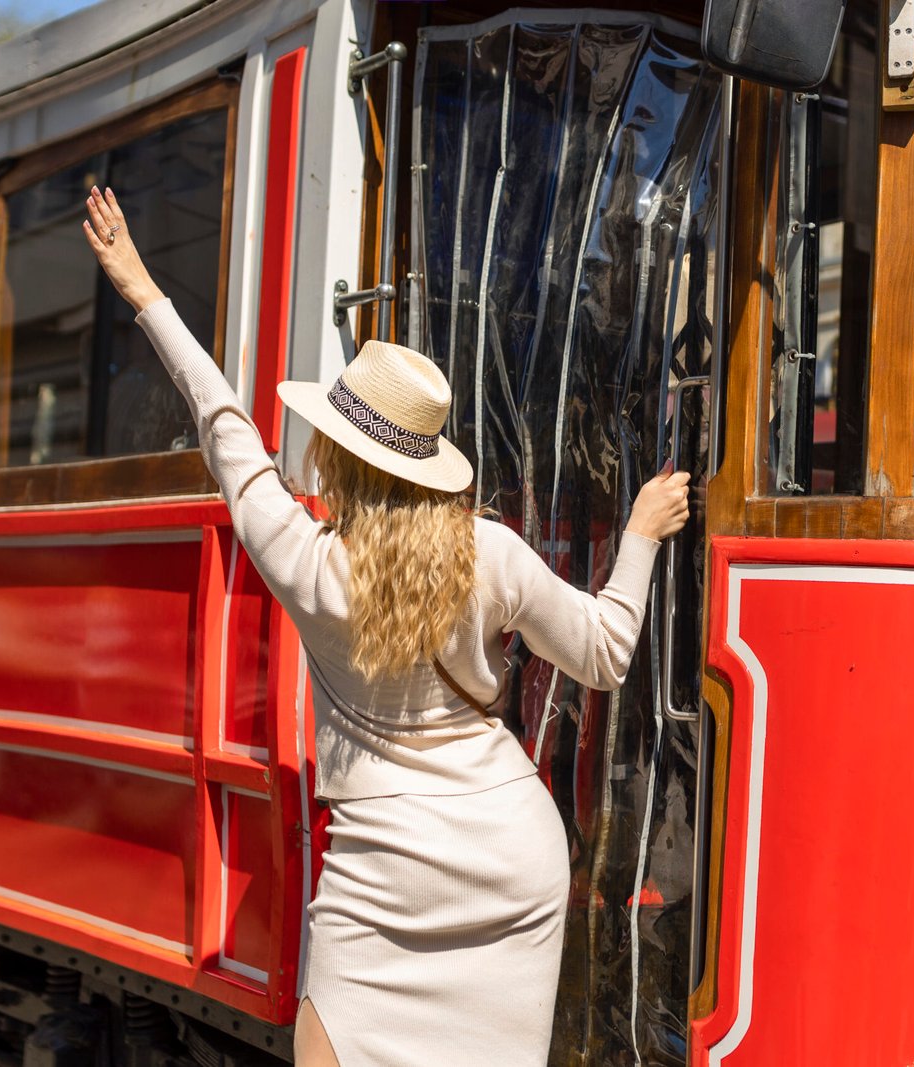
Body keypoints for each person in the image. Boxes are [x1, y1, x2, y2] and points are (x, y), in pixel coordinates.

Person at [82, 187, 689, 1067]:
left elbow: (223, 427)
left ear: (337, 452)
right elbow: (604, 653)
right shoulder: (492, 553)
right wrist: (638, 534)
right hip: (510, 857)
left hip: (382, 873)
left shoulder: (308, 562)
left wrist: (144, 292)